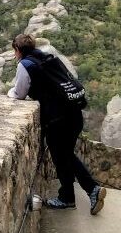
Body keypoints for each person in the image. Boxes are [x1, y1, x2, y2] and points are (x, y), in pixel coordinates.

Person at [7, 33, 106, 215]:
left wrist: (9, 94)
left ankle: (91, 189)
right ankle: (68, 196)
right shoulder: (49, 58)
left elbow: (19, 93)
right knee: (63, 156)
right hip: (74, 114)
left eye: (15, 51)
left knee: (64, 156)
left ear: (18, 50)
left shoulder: (25, 65)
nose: (15, 55)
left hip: (57, 119)